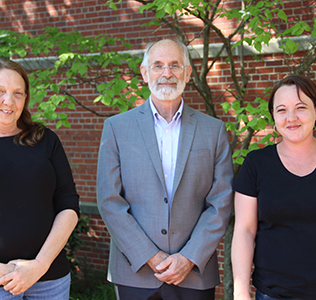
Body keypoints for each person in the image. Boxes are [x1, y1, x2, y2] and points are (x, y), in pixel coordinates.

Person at [97, 39, 233, 300]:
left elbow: (221, 202)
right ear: (144, 73)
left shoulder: (213, 131)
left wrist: (189, 257)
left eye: (174, 65)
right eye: (157, 65)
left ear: (188, 72)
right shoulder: (116, 129)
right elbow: (109, 201)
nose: (167, 73)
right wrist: (151, 256)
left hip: (194, 273)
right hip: (134, 272)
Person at [0, 58, 80, 299]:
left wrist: (39, 265)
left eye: (17, 93)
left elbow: (68, 205)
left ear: (25, 99)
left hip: (49, 278)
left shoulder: (45, 140)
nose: (9, 101)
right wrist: (0, 272)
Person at [231, 74, 316, 300]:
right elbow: (244, 231)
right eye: (281, 110)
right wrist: (241, 293)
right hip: (274, 294)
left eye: (301, 107)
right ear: (273, 115)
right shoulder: (256, 164)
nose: (291, 118)